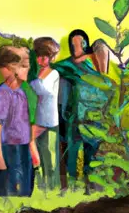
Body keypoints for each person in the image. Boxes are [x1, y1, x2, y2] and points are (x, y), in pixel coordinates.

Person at [53, 30, 111, 194]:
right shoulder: (66, 66)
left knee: (91, 152)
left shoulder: (94, 69)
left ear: (87, 44)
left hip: (92, 117)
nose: (77, 47)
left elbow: (105, 88)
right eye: (74, 44)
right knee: (69, 152)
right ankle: (67, 188)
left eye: (81, 43)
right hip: (70, 117)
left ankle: (90, 187)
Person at [0, 46, 34, 198]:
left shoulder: (22, 92)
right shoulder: (3, 93)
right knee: (9, 191)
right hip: (8, 148)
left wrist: (32, 147)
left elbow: (26, 123)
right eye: (25, 67)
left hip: (23, 146)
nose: (29, 70)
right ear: (12, 69)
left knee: (25, 190)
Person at [29, 37, 61, 191]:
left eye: (45, 56)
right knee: (38, 151)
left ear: (51, 57)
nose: (41, 59)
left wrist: (31, 83)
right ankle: (40, 184)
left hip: (48, 118)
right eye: (39, 55)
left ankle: (51, 187)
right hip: (38, 117)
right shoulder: (36, 73)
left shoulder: (53, 73)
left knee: (50, 155)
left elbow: (44, 91)